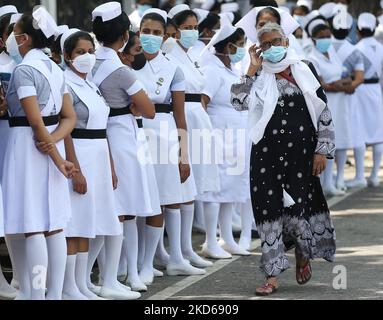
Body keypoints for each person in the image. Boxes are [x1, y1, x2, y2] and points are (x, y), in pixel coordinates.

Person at [231, 22, 336, 296]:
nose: (272, 47)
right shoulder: (258, 74)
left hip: (301, 156)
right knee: (267, 211)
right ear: (258, 48)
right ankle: (272, 274)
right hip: (265, 155)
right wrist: (251, 70)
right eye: (265, 44)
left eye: (276, 41)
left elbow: (323, 111)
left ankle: (302, 250)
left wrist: (321, 150)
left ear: (286, 41)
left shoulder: (305, 69)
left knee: (297, 209)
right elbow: (238, 103)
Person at [127, 8, 211, 276]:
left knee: (169, 198)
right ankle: (138, 262)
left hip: (164, 133)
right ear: (138, 33)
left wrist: (184, 154)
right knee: (141, 201)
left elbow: (180, 115)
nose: (150, 37)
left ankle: (163, 259)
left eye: (157, 33)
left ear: (166, 36)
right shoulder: (128, 62)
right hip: (135, 133)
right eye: (146, 32)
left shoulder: (173, 68)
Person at [3, 8, 78, 300]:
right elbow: (68, 117)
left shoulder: (24, 70)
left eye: (14, 34)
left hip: (27, 147)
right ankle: (54, 294)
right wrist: (55, 144)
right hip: (49, 145)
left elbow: (34, 121)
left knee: (33, 225)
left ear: (23, 39)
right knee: (55, 226)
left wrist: (55, 155)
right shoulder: (55, 68)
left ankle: (36, 294)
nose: (11, 38)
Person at [90, 2, 158, 296]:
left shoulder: (91, 59)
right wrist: (134, 105)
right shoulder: (119, 69)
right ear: (123, 36)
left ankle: (113, 275)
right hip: (120, 137)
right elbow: (149, 110)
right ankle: (110, 278)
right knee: (121, 209)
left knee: (116, 208)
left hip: (99, 135)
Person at [61, 30, 127, 300]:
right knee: (75, 223)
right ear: (67, 56)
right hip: (80, 153)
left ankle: (82, 284)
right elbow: (66, 129)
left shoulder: (90, 84)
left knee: (88, 222)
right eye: (80, 52)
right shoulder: (65, 84)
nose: (86, 57)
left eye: (90, 51)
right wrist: (75, 168)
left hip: (99, 153)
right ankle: (68, 287)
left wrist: (110, 166)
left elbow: (103, 129)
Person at [165, 4, 221, 269]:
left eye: (194, 27)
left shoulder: (191, 54)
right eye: (186, 27)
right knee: (179, 186)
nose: (191, 32)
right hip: (182, 115)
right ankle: (175, 251)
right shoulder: (168, 51)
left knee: (191, 186)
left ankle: (186, 248)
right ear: (174, 30)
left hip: (196, 116)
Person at [199, 25, 252, 257]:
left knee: (231, 187)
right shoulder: (212, 70)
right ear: (228, 46)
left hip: (236, 135)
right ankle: (210, 241)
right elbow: (202, 102)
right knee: (215, 188)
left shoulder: (232, 69)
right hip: (217, 134)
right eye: (239, 44)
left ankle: (227, 238)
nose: (242, 48)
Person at [308, 22, 354, 196]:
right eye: (322, 37)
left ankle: (337, 179)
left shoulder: (333, 54)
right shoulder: (312, 58)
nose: (326, 40)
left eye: (328, 36)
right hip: (326, 103)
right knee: (327, 141)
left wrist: (338, 84)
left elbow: (348, 77)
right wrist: (339, 85)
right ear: (314, 39)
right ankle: (325, 183)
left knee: (342, 138)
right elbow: (321, 84)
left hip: (341, 102)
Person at [330, 12, 365, 190]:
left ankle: (329, 178)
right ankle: (340, 177)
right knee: (343, 136)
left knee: (327, 136)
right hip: (346, 98)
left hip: (327, 97)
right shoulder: (354, 51)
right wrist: (349, 86)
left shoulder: (325, 48)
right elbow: (359, 78)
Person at [0, 5, 20, 300]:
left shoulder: (25, 61)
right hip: (3, 134)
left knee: (16, 209)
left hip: (20, 138)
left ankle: (20, 276)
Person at [352, 13, 383, 187]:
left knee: (360, 131)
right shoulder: (381, 47)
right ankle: (374, 175)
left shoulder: (355, 49)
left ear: (358, 30)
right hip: (376, 90)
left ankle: (359, 176)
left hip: (360, 90)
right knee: (378, 134)